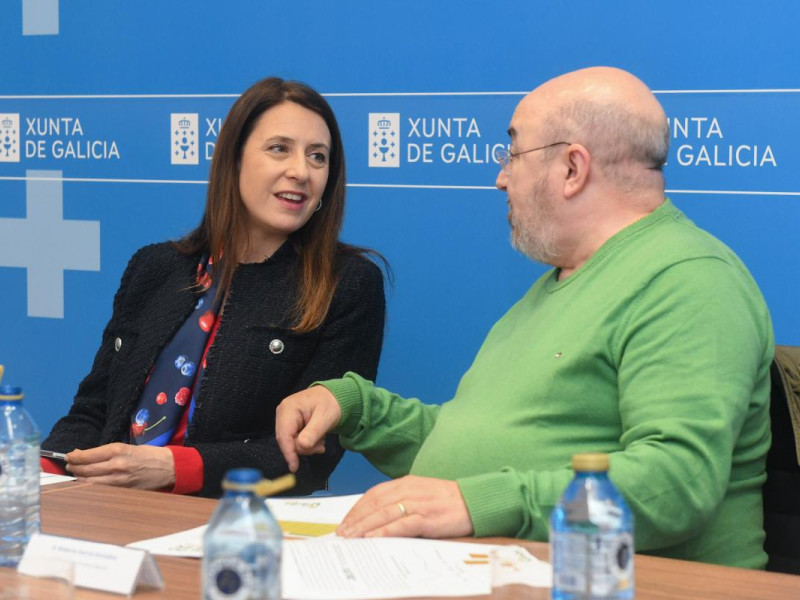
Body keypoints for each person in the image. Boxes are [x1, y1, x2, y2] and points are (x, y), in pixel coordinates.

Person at [275, 67, 774, 568]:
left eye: (514, 153)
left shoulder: (689, 280)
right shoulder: (560, 281)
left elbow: (676, 481)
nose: (500, 176)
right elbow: (483, 446)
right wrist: (357, 410)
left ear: (573, 169)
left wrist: (478, 504)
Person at [42, 77, 386, 498]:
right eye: (279, 148)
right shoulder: (156, 266)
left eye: (318, 157)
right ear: (234, 159)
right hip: (108, 506)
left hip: (225, 522)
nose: (301, 171)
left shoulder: (349, 284)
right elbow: (91, 411)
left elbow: (308, 459)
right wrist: (41, 472)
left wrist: (171, 468)